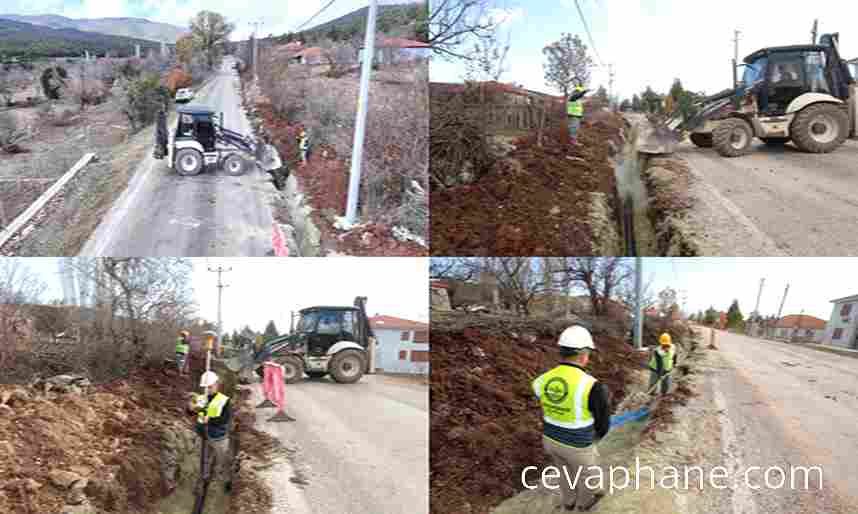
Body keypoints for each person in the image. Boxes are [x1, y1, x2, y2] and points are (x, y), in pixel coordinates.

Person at [532, 325, 609, 512]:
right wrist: (597, 437)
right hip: (577, 444)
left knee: (564, 471)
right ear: (583, 355)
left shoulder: (542, 380)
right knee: (587, 477)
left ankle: (568, 502)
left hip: (550, 440)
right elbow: (603, 422)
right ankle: (584, 504)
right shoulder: (592, 385)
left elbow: (545, 397)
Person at [193, 371, 233, 493]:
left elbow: (225, 419)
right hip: (203, 436)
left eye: (210, 387)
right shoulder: (201, 399)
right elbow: (194, 412)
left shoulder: (224, 400)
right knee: (203, 460)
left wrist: (210, 419)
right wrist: (190, 408)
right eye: (205, 387)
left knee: (223, 461)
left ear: (216, 385)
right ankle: (204, 478)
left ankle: (226, 481)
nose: (207, 390)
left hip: (219, 438)